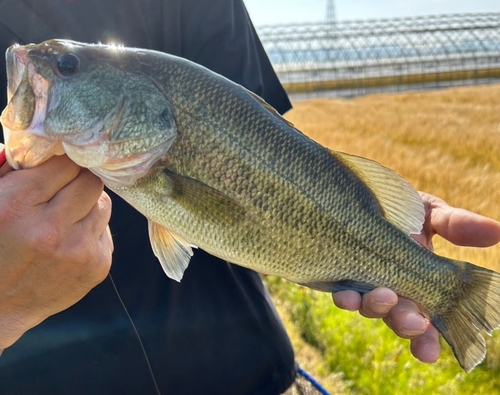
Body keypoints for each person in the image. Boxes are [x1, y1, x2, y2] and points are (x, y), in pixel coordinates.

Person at [0, 0, 499, 393]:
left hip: (249, 370)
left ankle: (457, 292)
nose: (35, 64)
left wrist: (371, 234)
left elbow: (268, 142)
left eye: (66, 66)